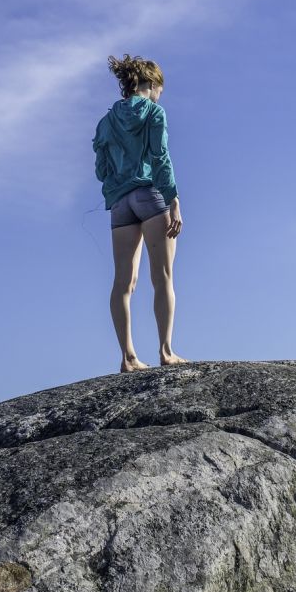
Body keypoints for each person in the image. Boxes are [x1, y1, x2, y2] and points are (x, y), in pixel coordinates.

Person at [92, 53, 190, 373]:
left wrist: (118, 180)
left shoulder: (106, 122)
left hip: (120, 203)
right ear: (151, 83)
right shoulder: (154, 113)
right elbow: (160, 158)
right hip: (150, 195)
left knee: (123, 282)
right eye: (160, 87)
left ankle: (128, 356)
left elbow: (101, 168)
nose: (161, 93)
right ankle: (166, 351)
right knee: (162, 277)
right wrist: (173, 199)